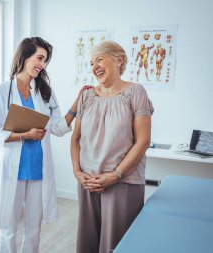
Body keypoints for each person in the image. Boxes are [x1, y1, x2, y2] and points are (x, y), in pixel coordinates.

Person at [0, 37, 90, 253]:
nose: (42, 64)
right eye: (39, 58)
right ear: (24, 56)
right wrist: (25, 134)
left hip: (38, 170)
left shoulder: (44, 92)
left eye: (45, 60)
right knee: (8, 228)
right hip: (11, 170)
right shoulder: (1, 91)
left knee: (33, 231)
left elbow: (59, 127)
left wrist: (77, 103)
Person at [70, 40, 154, 253]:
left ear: (119, 60)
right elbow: (75, 138)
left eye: (99, 59)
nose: (94, 66)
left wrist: (115, 175)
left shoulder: (135, 92)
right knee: (87, 242)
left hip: (123, 182)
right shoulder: (86, 96)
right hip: (88, 182)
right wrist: (77, 172)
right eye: (91, 63)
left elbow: (143, 141)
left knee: (117, 245)